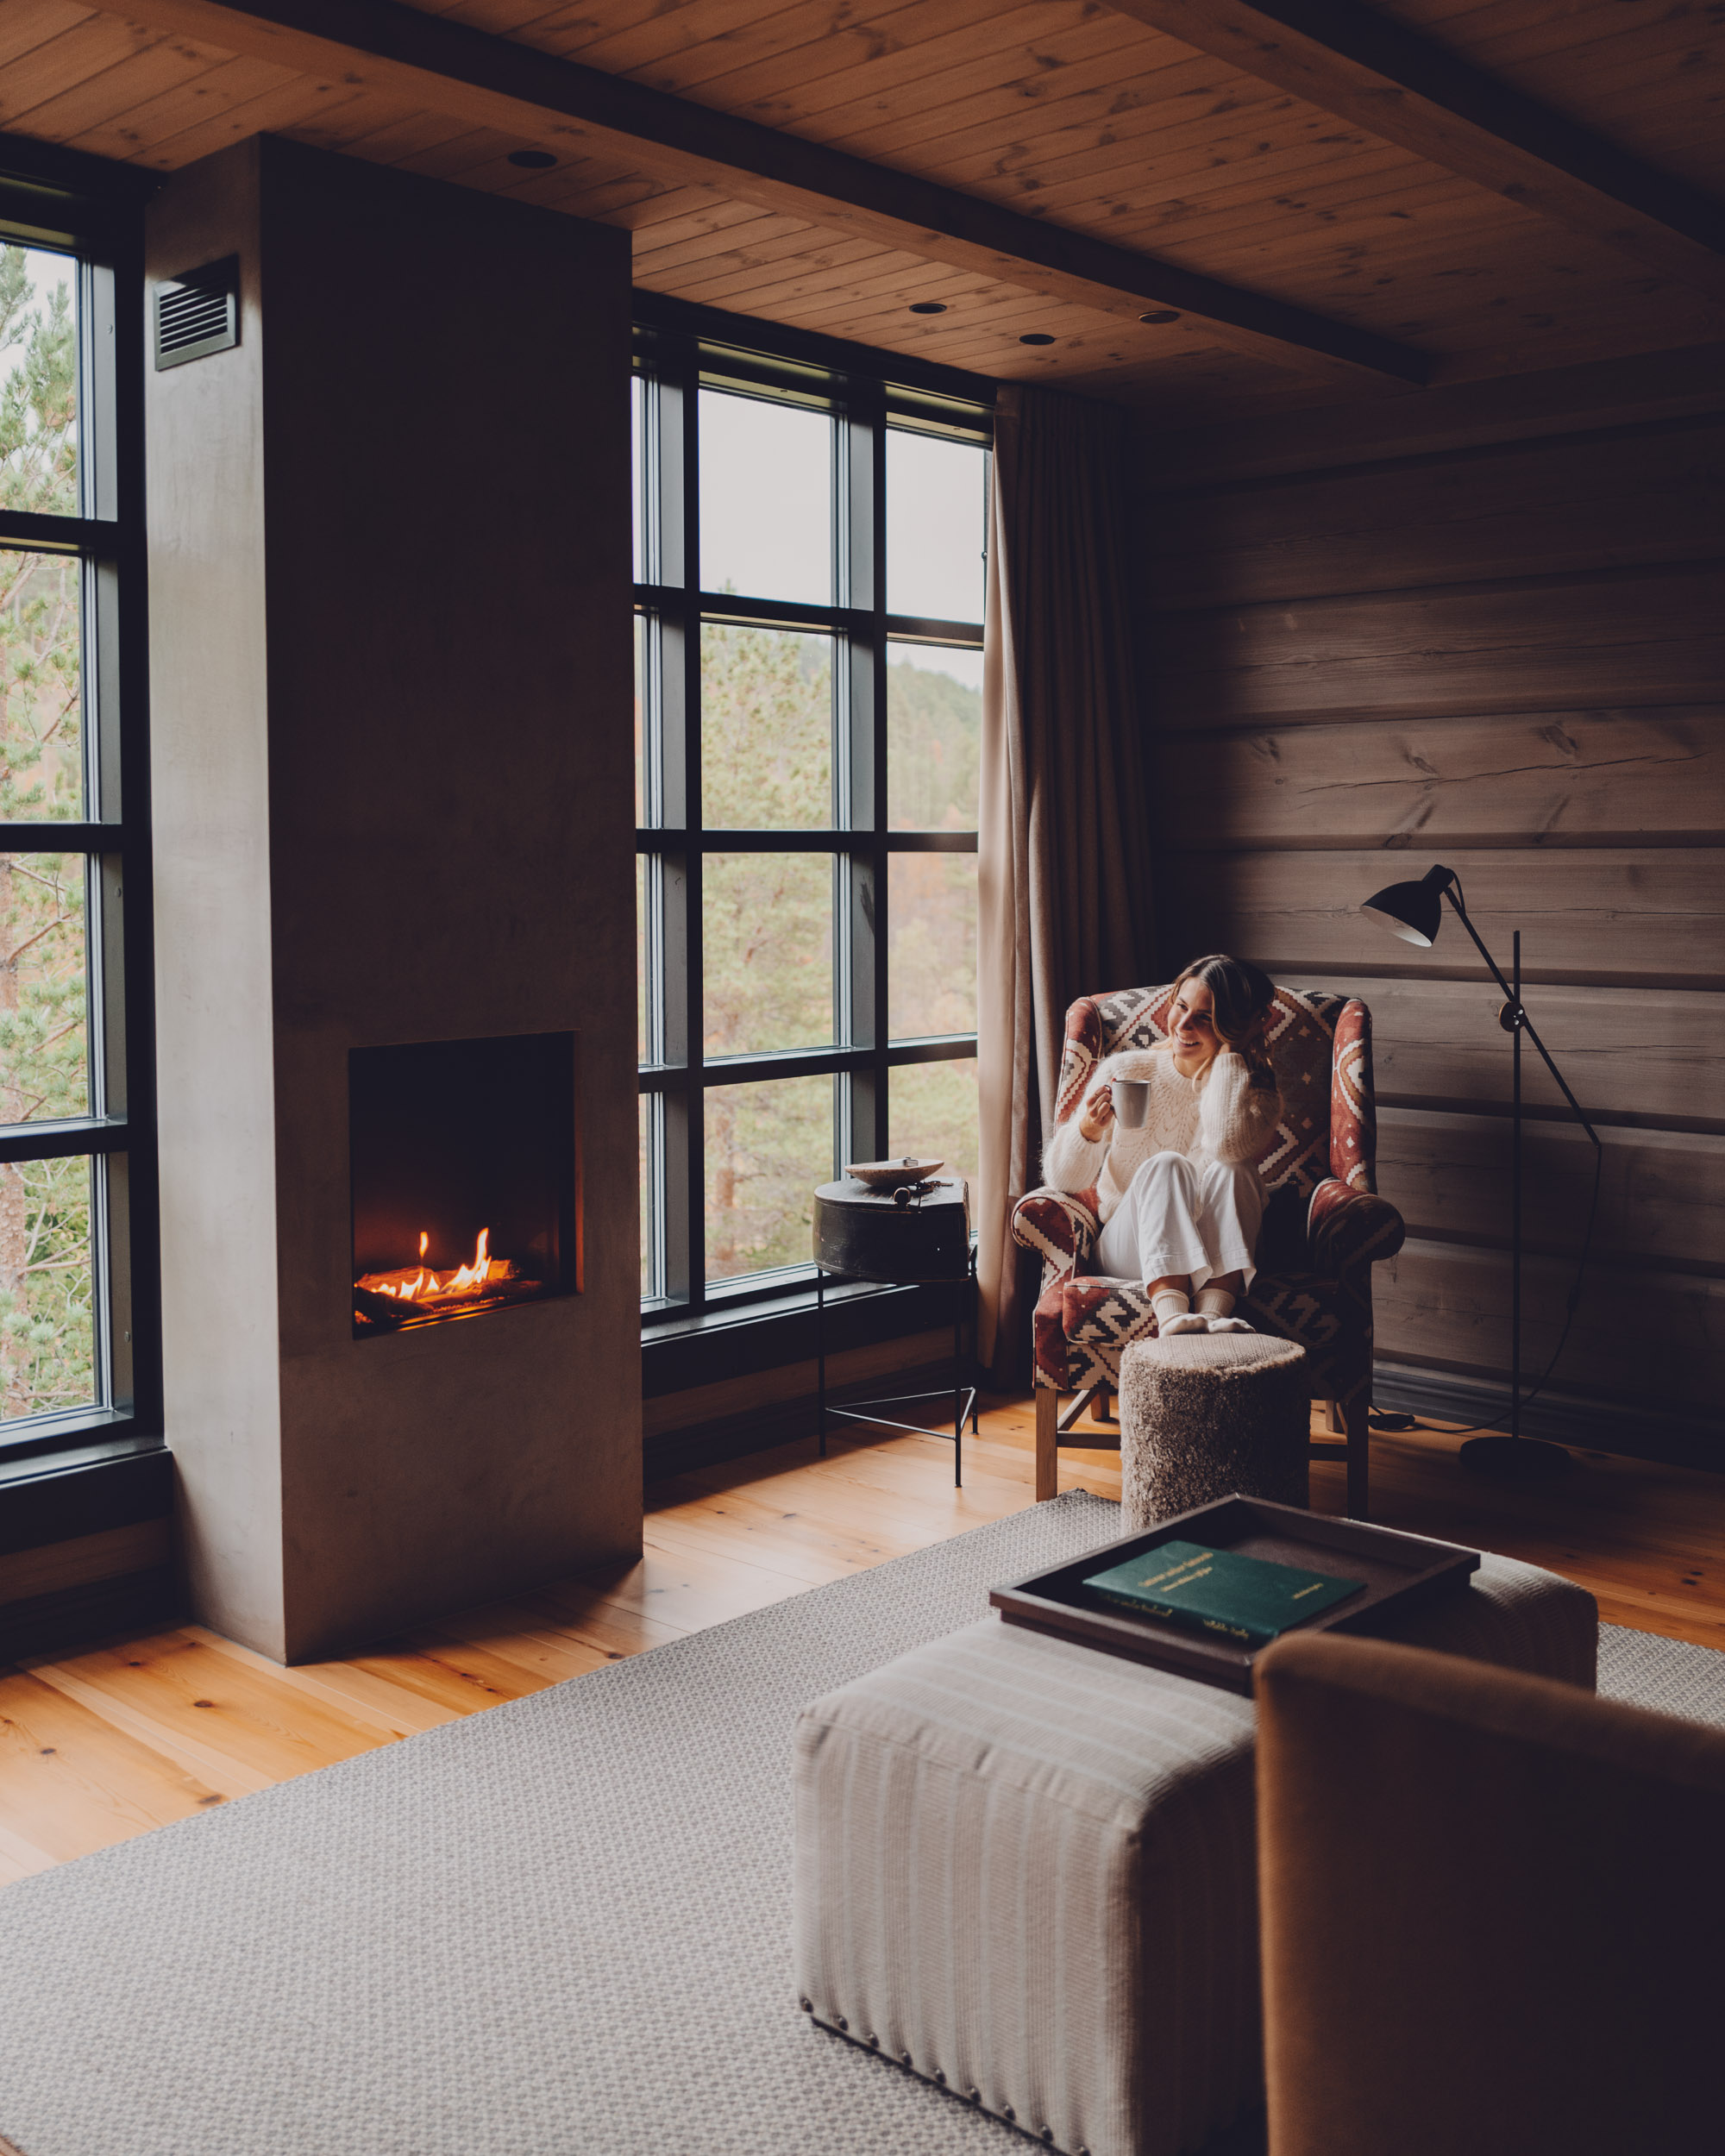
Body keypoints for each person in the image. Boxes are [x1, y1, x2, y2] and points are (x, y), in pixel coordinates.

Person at [1042, 955, 1282, 1335]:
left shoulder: (1257, 1095)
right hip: (1130, 1247)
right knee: (1169, 1164)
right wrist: (1087, 1129)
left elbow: (1226, 1146)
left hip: (1213, 1252)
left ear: (1236, 1026)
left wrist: (1229, 1057)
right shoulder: (1129, 1071)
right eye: (1181, 1007)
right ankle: (1172, 1315)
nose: (1183, 1025)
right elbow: (1063, 1179)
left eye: (1206, 1018)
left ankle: (1214, 1316)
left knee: (1235, 1168)